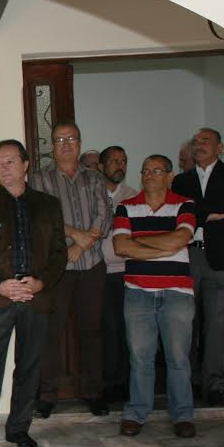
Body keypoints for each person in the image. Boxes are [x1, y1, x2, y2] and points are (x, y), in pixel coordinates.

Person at [0, 140, 66, 447]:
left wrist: (40, 282)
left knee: (29, 368)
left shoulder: (48, 204)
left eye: (10, 161)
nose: (4, 168)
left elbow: (59, 253)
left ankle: (19, 429)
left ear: (25, 165)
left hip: (35, 297)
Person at [29, 120, 112, 418]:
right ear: (53, 146)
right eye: (60, 140)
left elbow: (105, 217)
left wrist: (81, 246)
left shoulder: (94, 178)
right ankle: (47, 394)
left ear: (79, 143)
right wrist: (74, 238)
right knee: (51, 331)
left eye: (72, 139)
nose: (66, 144)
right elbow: (40, 219)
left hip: (91, 265)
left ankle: (94, 392)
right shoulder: (39, 179)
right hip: (56, 268)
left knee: (92, 330)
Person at [113, 155, 196, 438]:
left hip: (177, 294)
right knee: (140, 357)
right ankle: (136, 413)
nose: (149, 175)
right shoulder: (126, 207)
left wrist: (139, 242)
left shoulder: (184, 204)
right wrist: (164, 246)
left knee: (178, 357)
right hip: (138, 293)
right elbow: (121, 246)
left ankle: (183, 415)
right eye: (145, 170)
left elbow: (181, 239)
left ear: (169, 176)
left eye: (156, 170)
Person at [172, 128, 224, 406]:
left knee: (217, 324)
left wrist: (199, 211)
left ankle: (214, 385)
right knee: (184, 323)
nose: (199, 145)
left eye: (205, 141)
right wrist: (210, 214)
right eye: (196, 142)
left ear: (220, 147)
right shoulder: (181, 180)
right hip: (187, 256)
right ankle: (187, 382)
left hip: (220, 258)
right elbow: (181, 212)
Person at [98, 147, 138, 403]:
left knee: (126, 329)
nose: (119, 165)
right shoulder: (92, 194)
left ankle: (124, 385)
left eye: (123, 161)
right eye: (113, 161)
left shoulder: (134, 196)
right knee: (106, 329)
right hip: (99, 273)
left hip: (127, 272)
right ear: (101, 166)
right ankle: (106, 384)